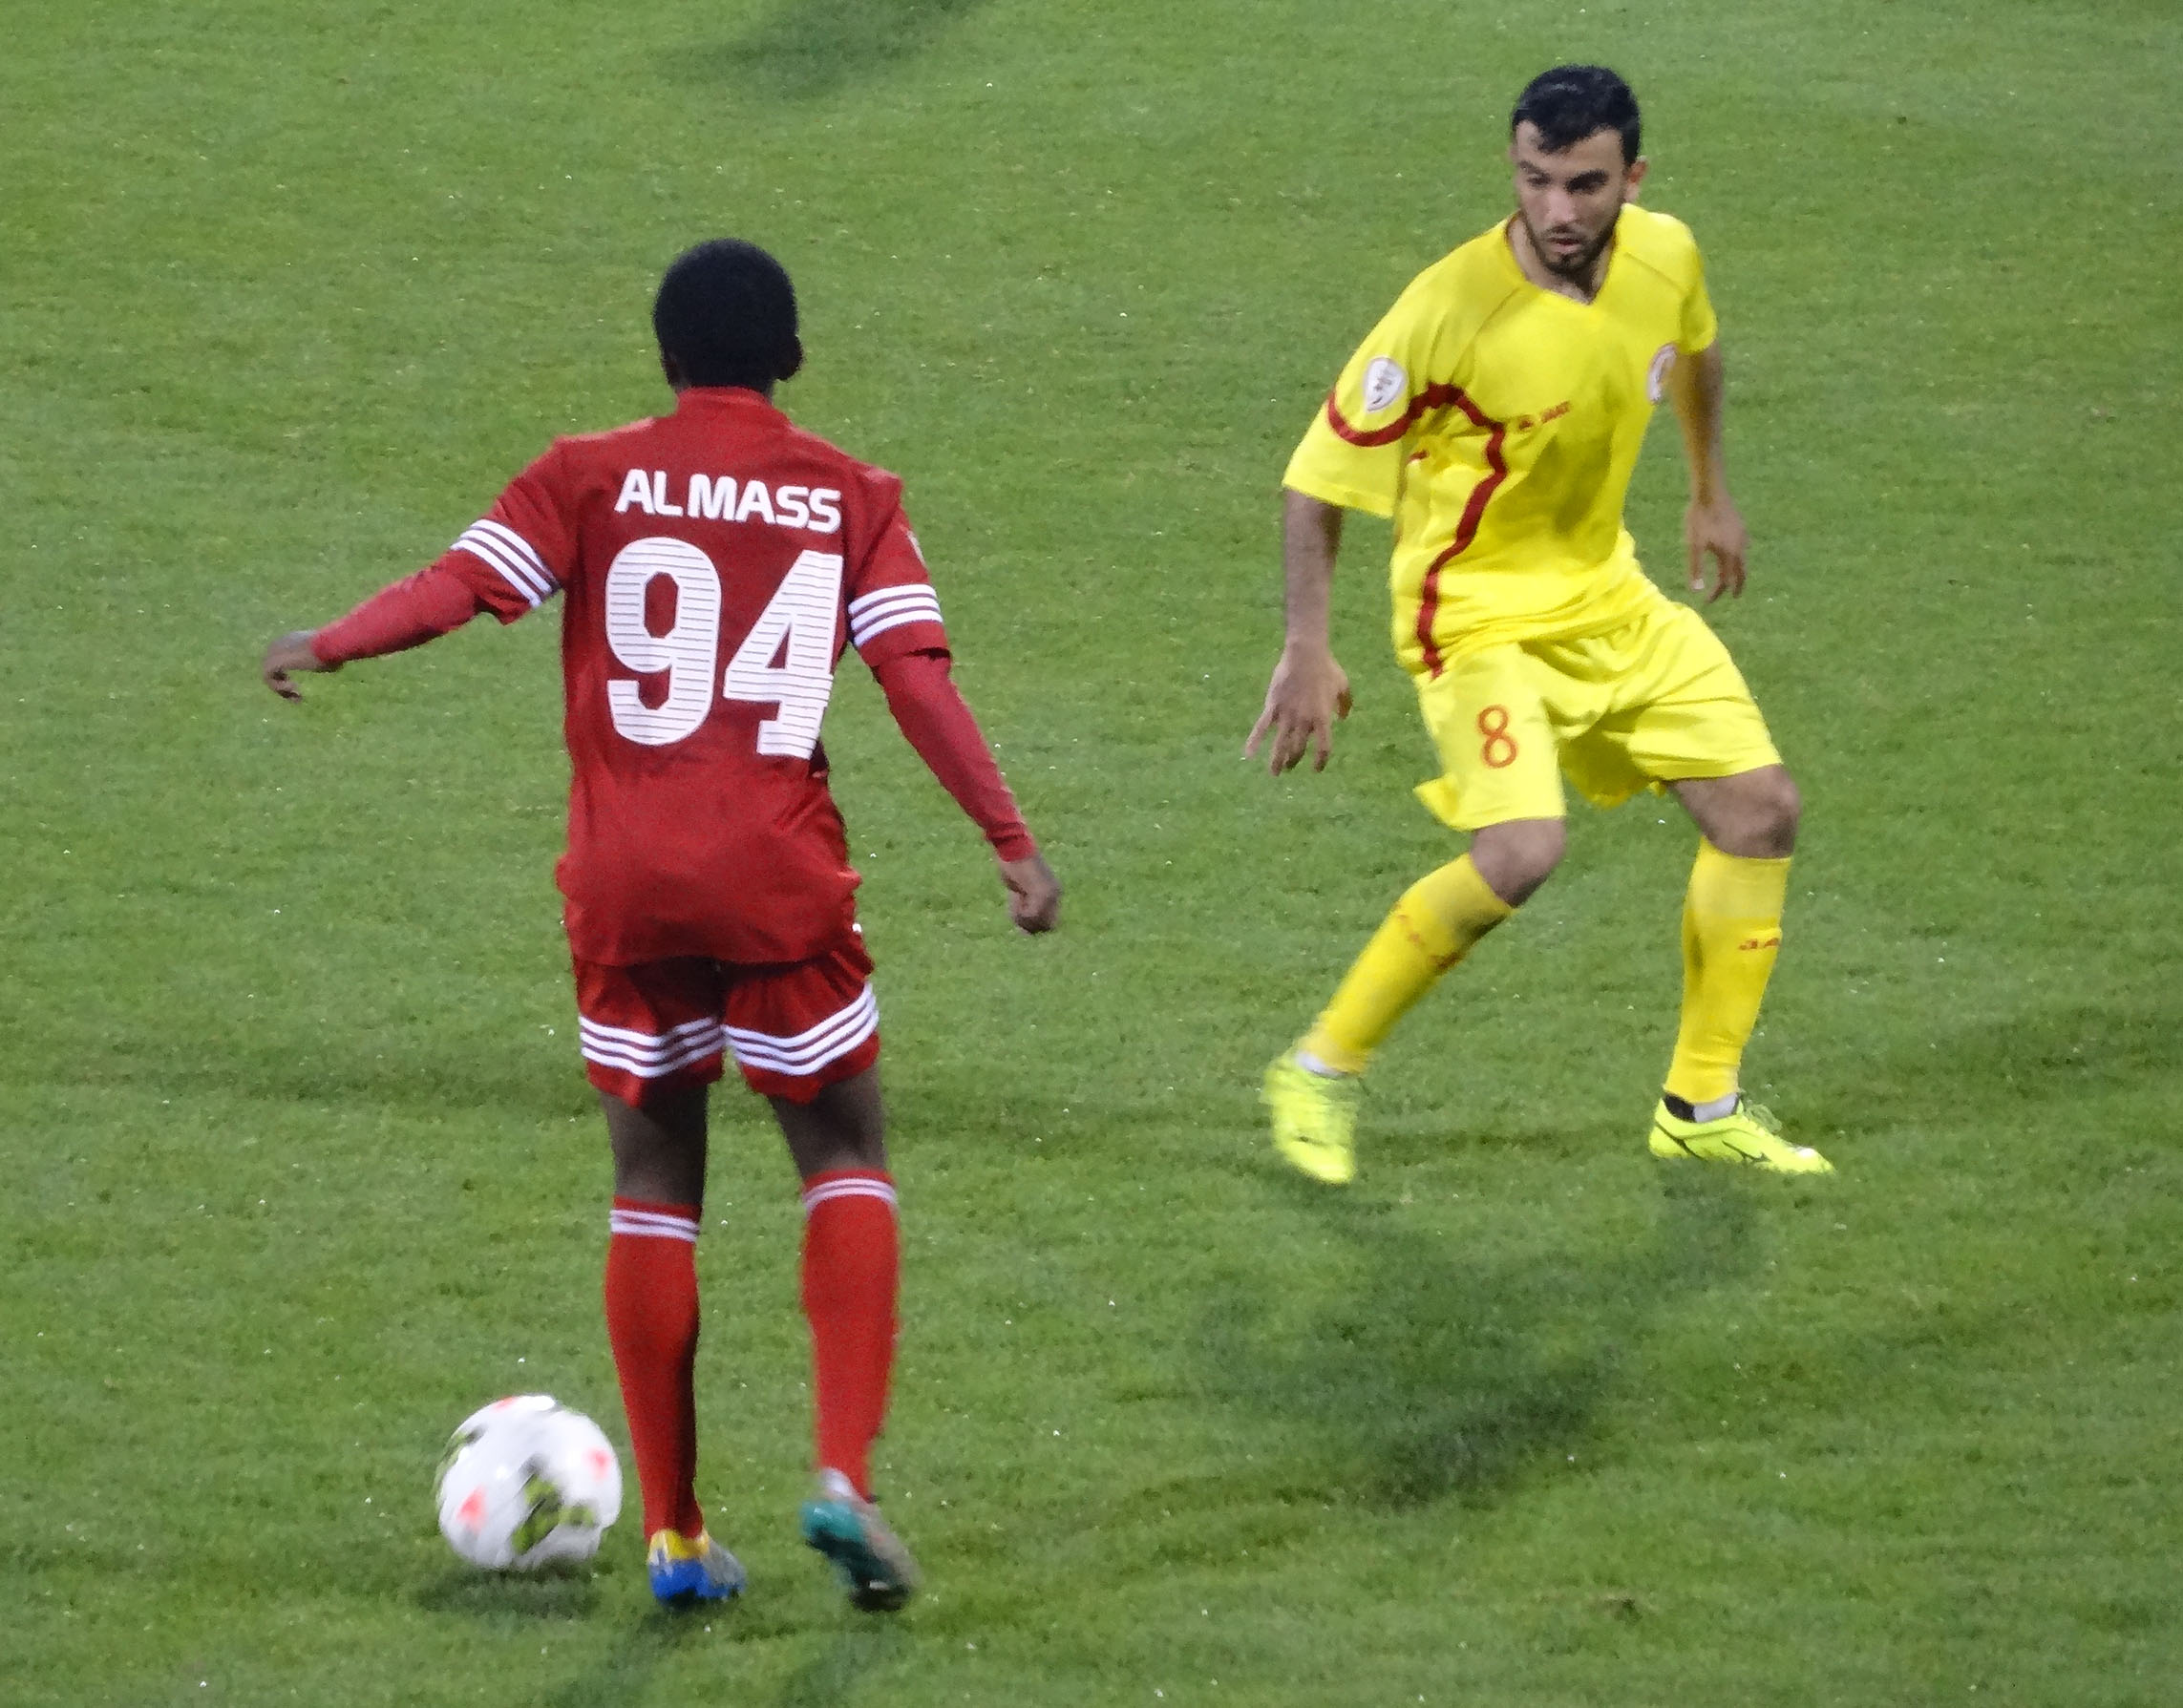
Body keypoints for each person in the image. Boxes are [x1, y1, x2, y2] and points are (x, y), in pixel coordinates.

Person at [263, 239, 1062, 1611]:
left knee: (652, 1185)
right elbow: (914, 678)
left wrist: (330, 640)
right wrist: (1010, 841)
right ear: (791, 359)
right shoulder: (853, 495)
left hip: (625, 885)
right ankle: (842, 1475)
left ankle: (678, 1537)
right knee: (842, 1153)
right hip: (778, 878)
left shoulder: (584, 474)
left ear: (665, 357)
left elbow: (460, 586)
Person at [1247, 66, 1829, 1184]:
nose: (1557, 209)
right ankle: (1319, 1068)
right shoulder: (1448, 309)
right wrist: (1307, 645)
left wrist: (1709, 488)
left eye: (1585, 185)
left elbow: (1696, 346)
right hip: (1475, 617)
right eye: (1534, 180)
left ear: (1633, 178)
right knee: (1521, 851)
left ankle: (1701, 1103)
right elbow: (1317, 480)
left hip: (1609, 595)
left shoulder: (1666, 254)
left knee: (1762, 811)